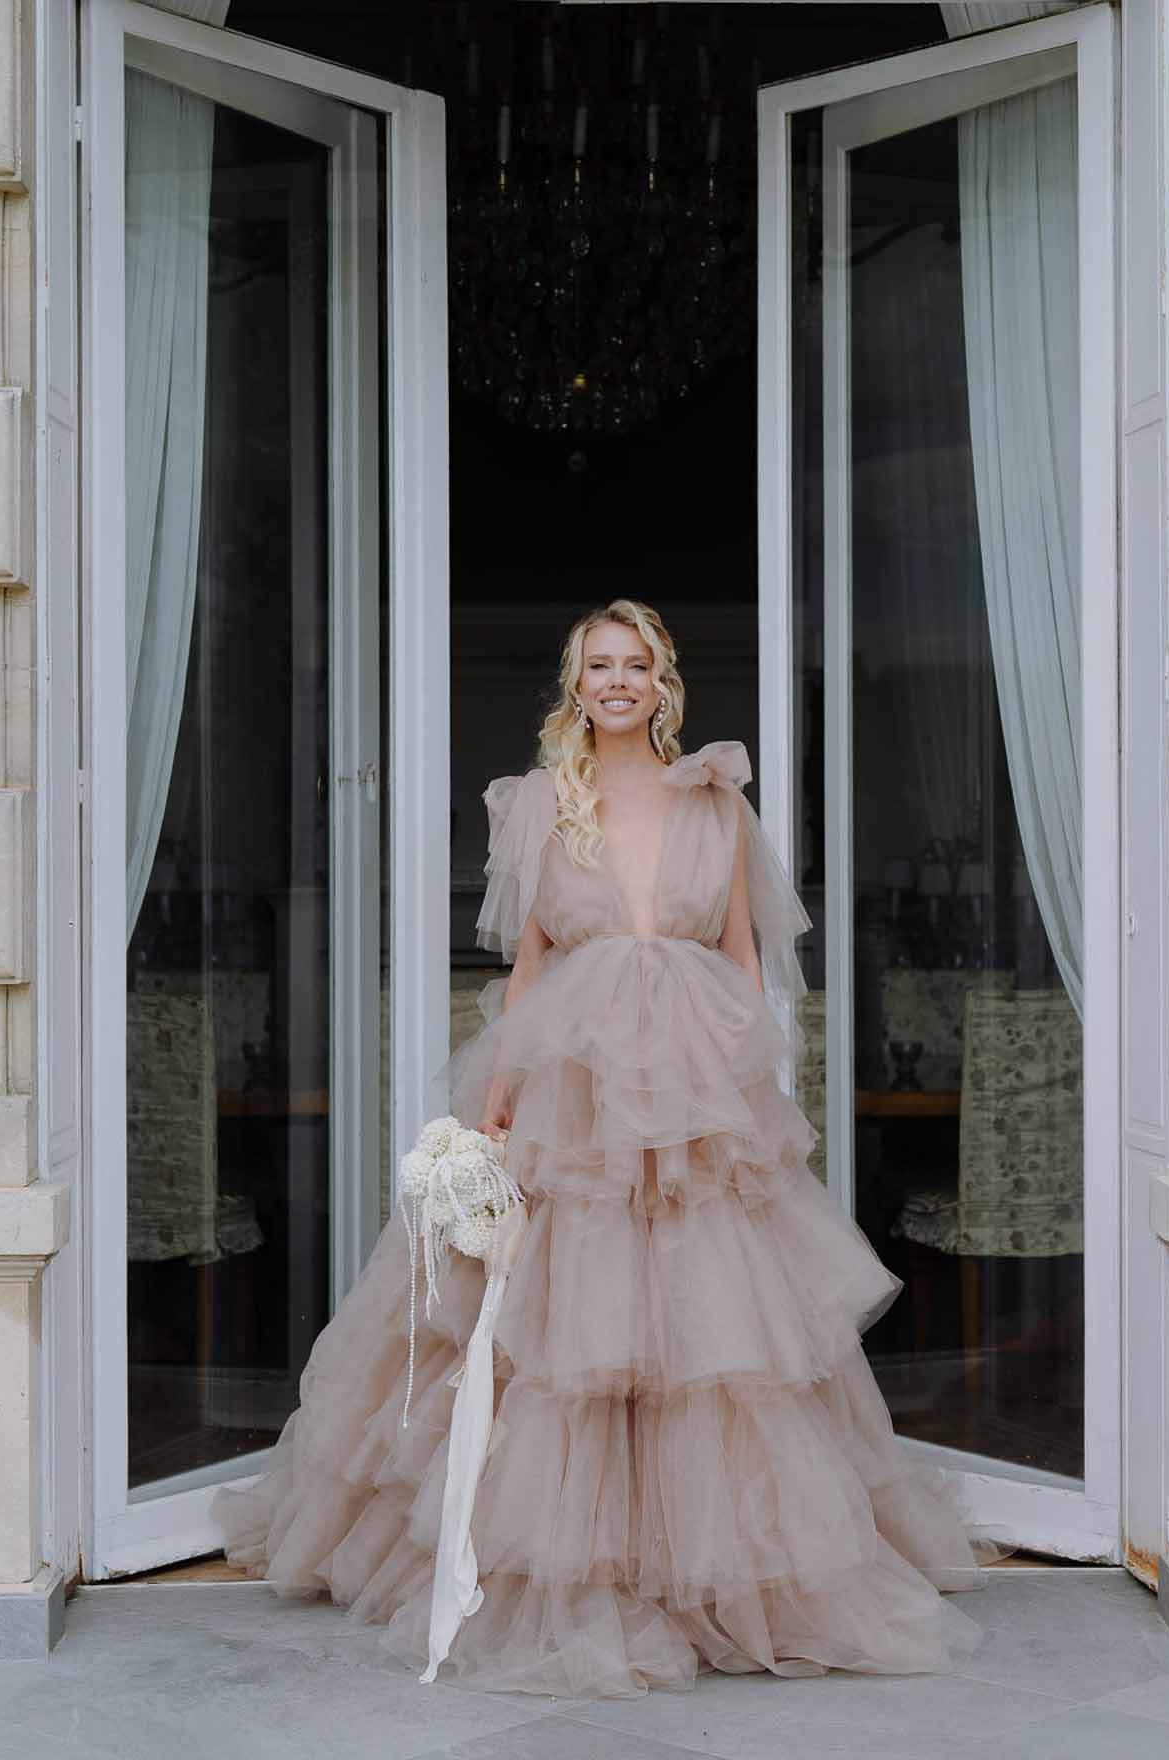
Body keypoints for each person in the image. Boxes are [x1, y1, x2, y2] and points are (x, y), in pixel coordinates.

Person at [214, 597, 987, 1697]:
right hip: (572, 1086)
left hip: (689, 1086)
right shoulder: (539, 803)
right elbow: (527, 965)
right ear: (573, 686)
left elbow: (735, 953)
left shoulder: (713, 797)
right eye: (597, 666)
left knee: (704, 1322)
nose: (616, 681)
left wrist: (745, 1087)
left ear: (662, 683)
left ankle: (706, 1566)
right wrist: (502, 1096)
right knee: (563, 1320)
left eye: (635, 665)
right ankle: (557, 1557)